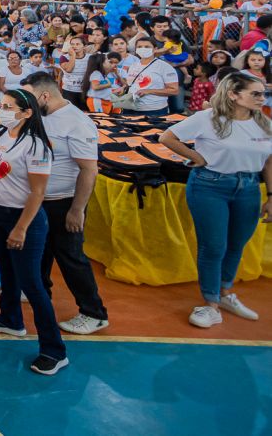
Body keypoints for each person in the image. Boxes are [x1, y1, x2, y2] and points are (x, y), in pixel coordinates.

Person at [161, 72, 272, 328]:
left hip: (249, 188)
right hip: (210, 186)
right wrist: (197, 158)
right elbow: (167, 137)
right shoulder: (208, 118)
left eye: (263, 93)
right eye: (255, 93)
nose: (262, 98)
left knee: (236, 244)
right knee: (213, 246)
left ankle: (223, 293)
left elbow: (269, 162)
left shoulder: (264, 123)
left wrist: (271, 196)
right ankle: (210, 304)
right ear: (233, 94)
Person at [0, 89, 68, 376]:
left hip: (22, 218)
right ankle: (10, 319)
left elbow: (38, 192)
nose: (1, 110)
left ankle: (54, 350)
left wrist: (21, 228)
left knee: (32, 284)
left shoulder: (36, 146)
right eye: (1, 105)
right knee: (7, 273)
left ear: (27, 112)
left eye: (8, 106)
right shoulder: (2, 135)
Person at [20, 72, 109, 334]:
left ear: (45, 95)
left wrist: (77, 210)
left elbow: (89, 170)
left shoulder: (77, 122)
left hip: (64, 202)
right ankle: (39, 289)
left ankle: (93, 313)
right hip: (40, 200)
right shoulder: (41, 116)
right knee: (41, 250)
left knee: (71, 257)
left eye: (30, 97)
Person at [116, 35, 178, 118]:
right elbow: (131, 84)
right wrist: (123, 88)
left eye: (147, 47)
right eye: (139, 47)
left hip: (153, 110)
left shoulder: (164, 67)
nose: (143, 49)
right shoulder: (133, 65)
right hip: (130, 108)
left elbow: (174, 90)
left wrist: (148, 91)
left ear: (155, 49)